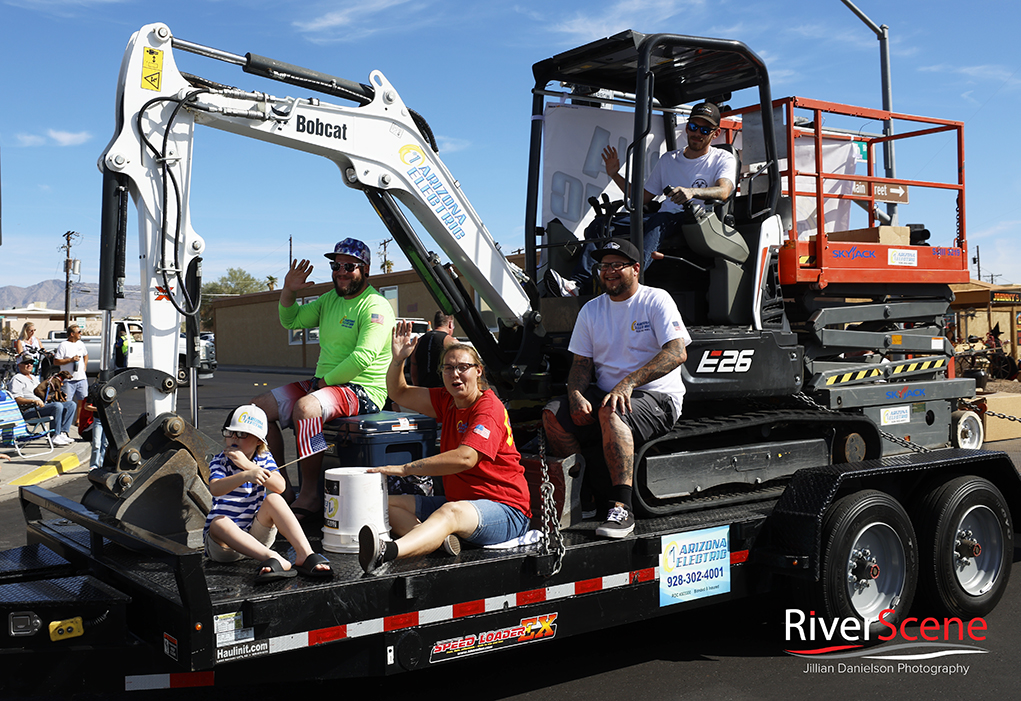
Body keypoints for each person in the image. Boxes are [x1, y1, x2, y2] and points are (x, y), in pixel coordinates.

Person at [543, 238, 690, 538]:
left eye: (616, 266)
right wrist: (575, 395)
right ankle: (583, 495)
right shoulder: (591, 311)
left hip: (657, 396)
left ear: (636, 269)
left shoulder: (655, 300)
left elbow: (677, 352)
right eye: (603, 266)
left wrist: (629, 383)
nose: (608, 272)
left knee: (612, 411)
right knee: (553, 415)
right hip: (610, 394)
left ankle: (622, 508)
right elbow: (581, 364)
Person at [358, 322, 531, 574]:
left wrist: (406, 469)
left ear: (478, 371)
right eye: (448, 368)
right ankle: (433, 540)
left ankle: (386, 552)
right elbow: (398, 392)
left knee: (450, 513)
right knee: (382, 503)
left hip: (506, 510)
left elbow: (466, 458)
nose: (455, 374)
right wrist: (398, 360)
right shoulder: (446, 400)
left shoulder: (489, 408)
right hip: (462, 503)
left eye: (463, 367)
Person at [252, 237, 395, 522]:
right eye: (336, 265)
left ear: (365, 269)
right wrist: (288, 292)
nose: (341, 271)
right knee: (256, 411)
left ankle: (311, 495)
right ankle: (282, 488)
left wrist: (322, 384)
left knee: (306, 408)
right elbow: (291, 321)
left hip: (363, 387)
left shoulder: (375, 306)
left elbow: (362, 358)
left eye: (350, 266)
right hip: (326, 382)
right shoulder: (329, 300)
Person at [601, 102, 738, 271]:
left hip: (694, 221)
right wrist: (615, 175)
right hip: (664, 217)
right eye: (694, 127)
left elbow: (724, 191)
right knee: (602, 225)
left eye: (704, 130)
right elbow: (643, 197)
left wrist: (692, 192)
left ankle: (633, 276)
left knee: (660, 219)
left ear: (716, 133)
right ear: (687, 127)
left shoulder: (723, 158)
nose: (697, 133)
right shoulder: (669, 159)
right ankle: (579, 284)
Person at [204, 404, 332, 582]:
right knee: (218, 523)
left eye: (242, 434)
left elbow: (280, 486)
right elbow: (216, 488)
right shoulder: (220, 461)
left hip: (255, 536)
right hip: (224, 548)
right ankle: (273, 557)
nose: (234, 438)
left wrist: (250, 466)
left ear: (259, 441)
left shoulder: (263, 459)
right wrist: (246, 475)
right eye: (230, 433)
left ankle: (305, 553)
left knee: (274, 499)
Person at [7, 357, 77, 446]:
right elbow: (16, 399)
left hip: (41, 407)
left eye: (31, 363)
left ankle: (62, 432)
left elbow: (41, 394)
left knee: (71, 404)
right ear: (19, 365)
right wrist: (34, 401)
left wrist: (54, 396)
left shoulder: (33, 377)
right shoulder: (17, 379)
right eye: (26, 363)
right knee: (57, 406)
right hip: (28, 410)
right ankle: (54, 435)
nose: (29, 365)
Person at [52, 324, 89, 425]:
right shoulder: (63, 345)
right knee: (67, 402)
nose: (81, 334)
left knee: (83, 400)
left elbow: (86, 355)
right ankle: (64, 423)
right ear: (72, 334)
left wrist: (84, 366)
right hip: (68, 380)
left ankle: (79, 420)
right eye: (79, 332)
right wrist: (70, 360)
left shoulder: (81, 344)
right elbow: (56, 361)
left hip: (81, 378)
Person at [410, 311, 458, 387]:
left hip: (424, 392)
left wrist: (418, 389)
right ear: (450, 324)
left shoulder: (419, 341)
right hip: (443, 393)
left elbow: (413, 372)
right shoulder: (452, 342)